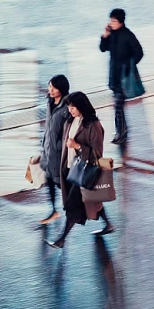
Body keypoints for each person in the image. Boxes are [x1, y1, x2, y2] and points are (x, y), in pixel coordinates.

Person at [46, 91, 114, 249]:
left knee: (73, 206)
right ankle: (108, 224)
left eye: (73, 107)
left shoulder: (94, 126)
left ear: (82, 106)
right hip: (70, 168)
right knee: (91, 200)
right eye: (69, 106)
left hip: (85, 170)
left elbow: (97, 153)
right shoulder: (70, 121)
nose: (70, 110)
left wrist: (77, 146)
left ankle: (61, 239)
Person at [100, 8, 144, 144]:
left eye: (113, 21)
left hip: (123, 78)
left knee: (118, 106)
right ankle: (122, 130)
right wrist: (105, 36)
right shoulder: (112, 34)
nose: (111, 23)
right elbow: (102, 48)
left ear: (121, 22)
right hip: (114, 75)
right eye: (110, 20)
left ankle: (121, 132)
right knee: (119, 107)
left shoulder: (128, 35)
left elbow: (139, 52)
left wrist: (129, 66)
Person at [37, 74, 70, 225]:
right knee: (49, 181)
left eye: (54, 87)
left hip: (60, 156)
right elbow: (48, 128)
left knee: (74, 192)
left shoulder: (67, 107)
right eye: (50, 86)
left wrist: (58, 146)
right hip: (49, 153)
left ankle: (103, 217)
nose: (50, 90)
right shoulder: (50, 102)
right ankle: (53, 211)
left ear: (61, 89)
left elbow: (70, 132)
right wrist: (42, 149)